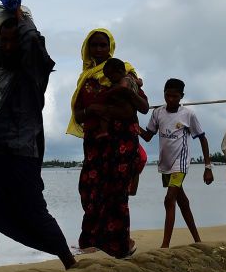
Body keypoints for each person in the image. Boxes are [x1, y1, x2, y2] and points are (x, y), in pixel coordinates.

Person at [0, 7, 76, 272]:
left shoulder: (33, 72)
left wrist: (21, 17)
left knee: (35, 211)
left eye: (12, 40)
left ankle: (69, 262)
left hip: (20, 151)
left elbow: (33, 44)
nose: (7, 46)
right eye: (2, 41)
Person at [69, 28, 149, 258]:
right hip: (95, 144)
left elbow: (142, 106)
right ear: (87, 48)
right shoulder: (85, 78)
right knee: (89, 191)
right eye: (94, 45)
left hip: (122, 142)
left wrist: (103, 107)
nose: (98, 49)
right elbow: (78, 114)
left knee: (116, 195)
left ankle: (119, 246)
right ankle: (91, 244)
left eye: (103, 45)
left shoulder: (126, 74)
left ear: (110, 47)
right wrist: (91, 110)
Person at [141, 78, 214, 248]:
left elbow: (202, 138)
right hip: (165, 164)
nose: (171, 99)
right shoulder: (157, 113)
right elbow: (147, 135)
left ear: (181, 96)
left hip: (180, 163)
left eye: (175, 96)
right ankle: (197, 240)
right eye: (168, 96)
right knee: (182, 202)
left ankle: (165, 245)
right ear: (164, 94)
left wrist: (208, 167)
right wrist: (133, 124)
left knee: (169, 199)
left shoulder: (188, 114)